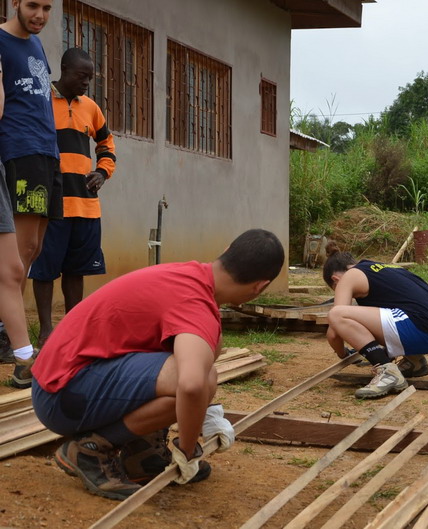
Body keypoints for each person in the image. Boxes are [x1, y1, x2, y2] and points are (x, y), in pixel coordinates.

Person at [31, 229, 285, 500]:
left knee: (203, 357)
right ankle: (90, 450)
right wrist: (187, 451)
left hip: (64, 382)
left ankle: (142, 455)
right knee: (202, 378)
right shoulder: (196, 307)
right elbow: (190, 385)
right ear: (260, 286)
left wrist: (205, 412)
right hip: (63, 398)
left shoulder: (188, 276)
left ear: (226, 250)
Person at [29, 47, 116, 347]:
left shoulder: (91, 107)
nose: (86, 83)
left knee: (76, 269)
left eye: (90, 78)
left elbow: (107, 144)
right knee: (44, 268)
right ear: (64, 70)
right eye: (82, 76)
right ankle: (45, 331)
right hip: (50, 204)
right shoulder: (40, 100)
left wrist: (102, 172)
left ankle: (73, 329)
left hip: (85, 205)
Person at [0, 0, 54, 387]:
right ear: (15, 3)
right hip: (18, 149)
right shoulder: (1, 41)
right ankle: (9, 337)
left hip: (45, 152)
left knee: (32, 249)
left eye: (48, 8)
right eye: (33, 5)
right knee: (15, 257)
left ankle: (8, 333)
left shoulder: (36, 45)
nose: (40, 15)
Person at [323, 241, 428, 399]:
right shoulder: (381, 268)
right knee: (383, 314)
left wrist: (343, 354)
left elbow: (334, 332)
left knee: (337, 314)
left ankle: (387, 373)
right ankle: (414, 362)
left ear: (335, 279)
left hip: (422, 331)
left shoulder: (349, 276)